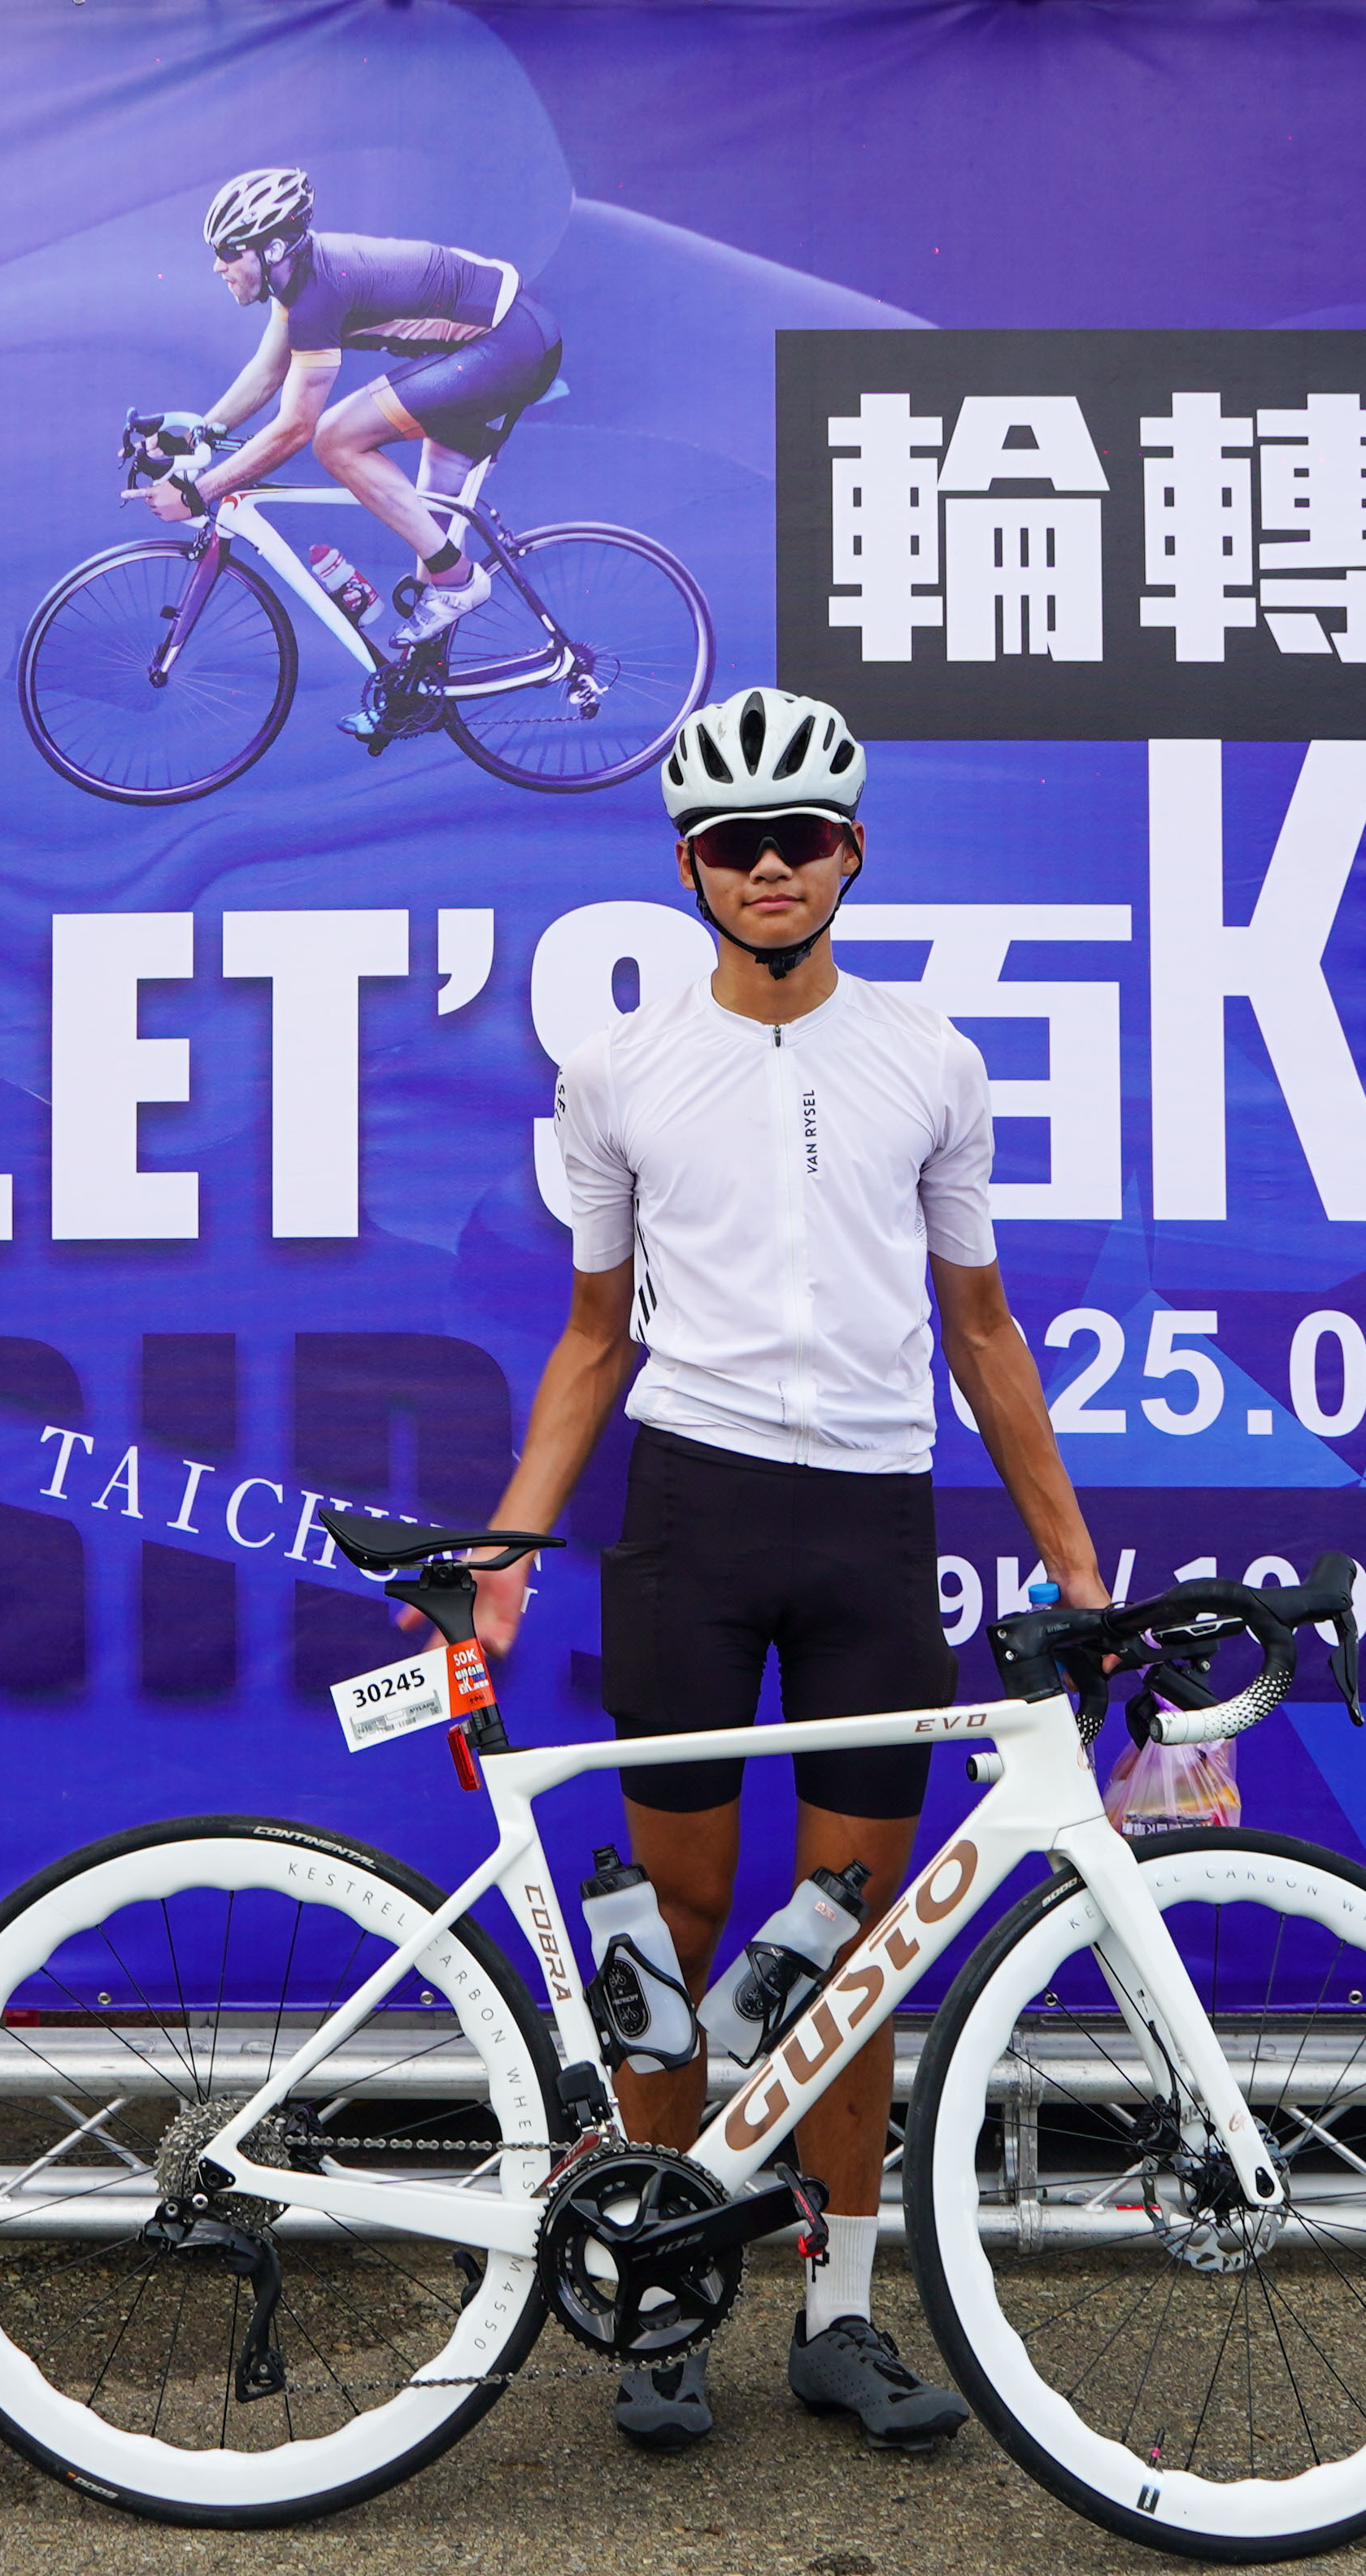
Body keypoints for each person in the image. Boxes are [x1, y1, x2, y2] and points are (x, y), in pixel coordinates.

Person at [446, 686, 1113, 2459]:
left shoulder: (932, 1060)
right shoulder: (618, 1069)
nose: (767, 868)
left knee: (851, 1948)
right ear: (687, 867)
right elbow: (594, 1335)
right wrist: (508, 1550)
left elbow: (984, 1329)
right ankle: (662, 2292)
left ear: (851, 853)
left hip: (874, 1526)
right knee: (670, 1931)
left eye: (797, 838)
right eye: (733, 844)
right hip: (693, 1521)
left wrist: (1075, 1561)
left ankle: (839, 2314)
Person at [145, 167, 561, 679]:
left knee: (336, 438)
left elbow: (295, 429)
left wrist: (200, 492)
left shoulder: (317, 294)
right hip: (500, 342)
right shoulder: (298, 280)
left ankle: (458, 580)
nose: (218, 266)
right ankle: (421, 683)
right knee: (428, 545)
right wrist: (197, 434)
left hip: (508, 347)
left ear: (272, 249)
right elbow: (268, 371)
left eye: (230, 251)